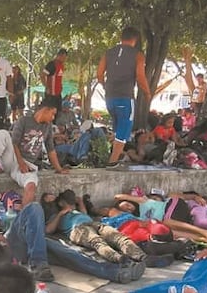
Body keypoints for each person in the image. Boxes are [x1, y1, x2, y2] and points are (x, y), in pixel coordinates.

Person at [0, 101, 66, 206]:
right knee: (1, 134)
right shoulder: (24, 121)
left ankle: (22, 216)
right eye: (52, 113)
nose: (53, 117)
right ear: (45, 110)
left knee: (31, 185)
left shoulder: (48, 127)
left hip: (28, 165)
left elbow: (51, 149)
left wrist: (59, 169)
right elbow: (14, 143)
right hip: (12, 158)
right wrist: (21, 162)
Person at [44, 189, 146, 265]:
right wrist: (60, 214)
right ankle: (119, 259)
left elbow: (85, 214)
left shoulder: (75, 210)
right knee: (97, 241)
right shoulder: (56, 215)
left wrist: (80, 203)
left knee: (117, 236)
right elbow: (48, 230)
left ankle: (140, 256)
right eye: (48, 198)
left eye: (52, 196)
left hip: (92, 223)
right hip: (78, 229)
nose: (52, 197)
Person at [97, 26, 152, 165]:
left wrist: (105, 85)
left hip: (109, 98)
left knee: (117, 130)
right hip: (125, 97)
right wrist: (147, 93)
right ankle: (112, 162)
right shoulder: (138, 55)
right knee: (123, 129)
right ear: (135, 39)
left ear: (121, 37)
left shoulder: (108, 53)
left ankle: (117, 156)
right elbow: (140, 76)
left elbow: (99, 74)